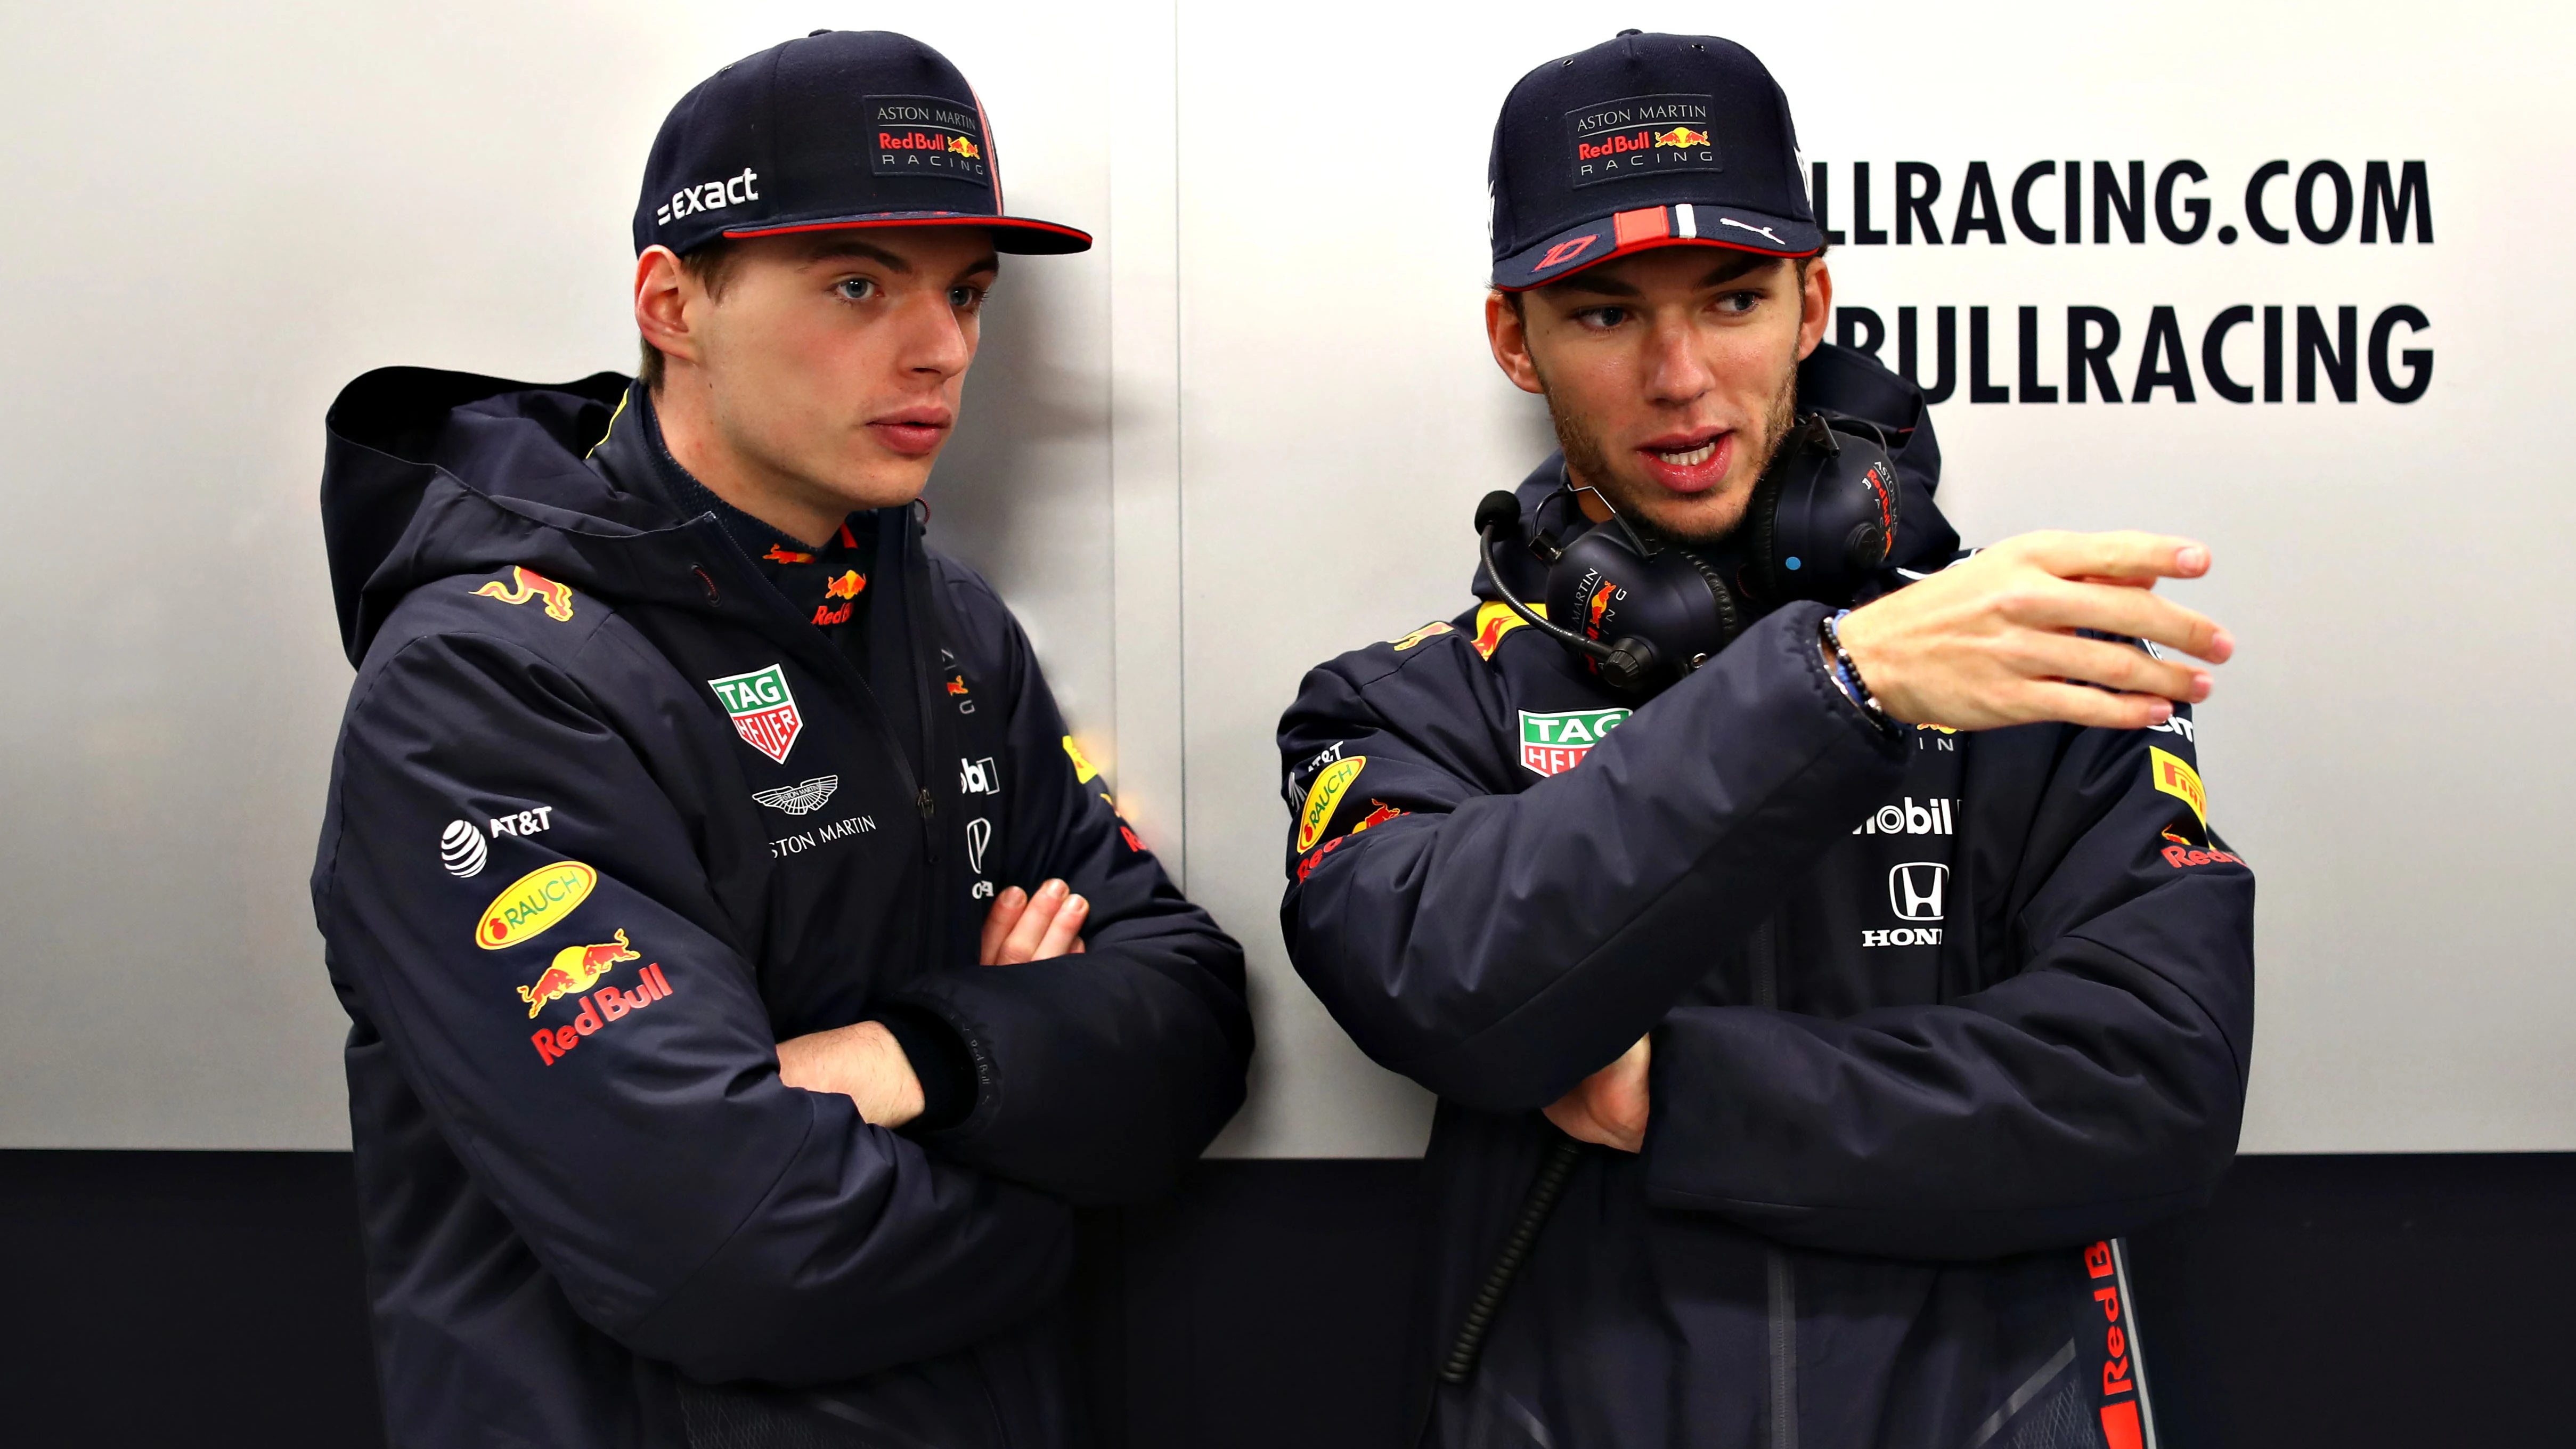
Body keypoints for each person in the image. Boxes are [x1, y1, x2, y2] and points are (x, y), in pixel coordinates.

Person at [1277, 31, 2252, 1449]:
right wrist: (1840, 688)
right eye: (1605, 315)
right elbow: (1441, 988)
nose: (1680, 376)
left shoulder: (2029, 665)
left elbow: (2151, 1088)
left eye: (1732, 299)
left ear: (1812, 304)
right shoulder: (1409, 703)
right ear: (1513, 339)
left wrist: (1685, 1098)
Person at [311, 30, 1249, 1449]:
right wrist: (1057, 1173)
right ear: (673, 302)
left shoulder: (947, 623)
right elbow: (730, 1249)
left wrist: (919, 1059)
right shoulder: (486, 680)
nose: (941, 348)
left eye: (966, 293)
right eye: (857, 286)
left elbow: (1186, 1016)